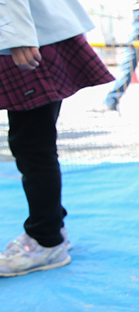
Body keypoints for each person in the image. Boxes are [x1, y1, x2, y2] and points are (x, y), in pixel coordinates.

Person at [0, 0, 114, 277]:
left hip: (25, 38)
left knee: (32, 146)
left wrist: (19, 35)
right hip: (29, 32)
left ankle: (47, 239)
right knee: (33, 144)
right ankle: (50, 229)